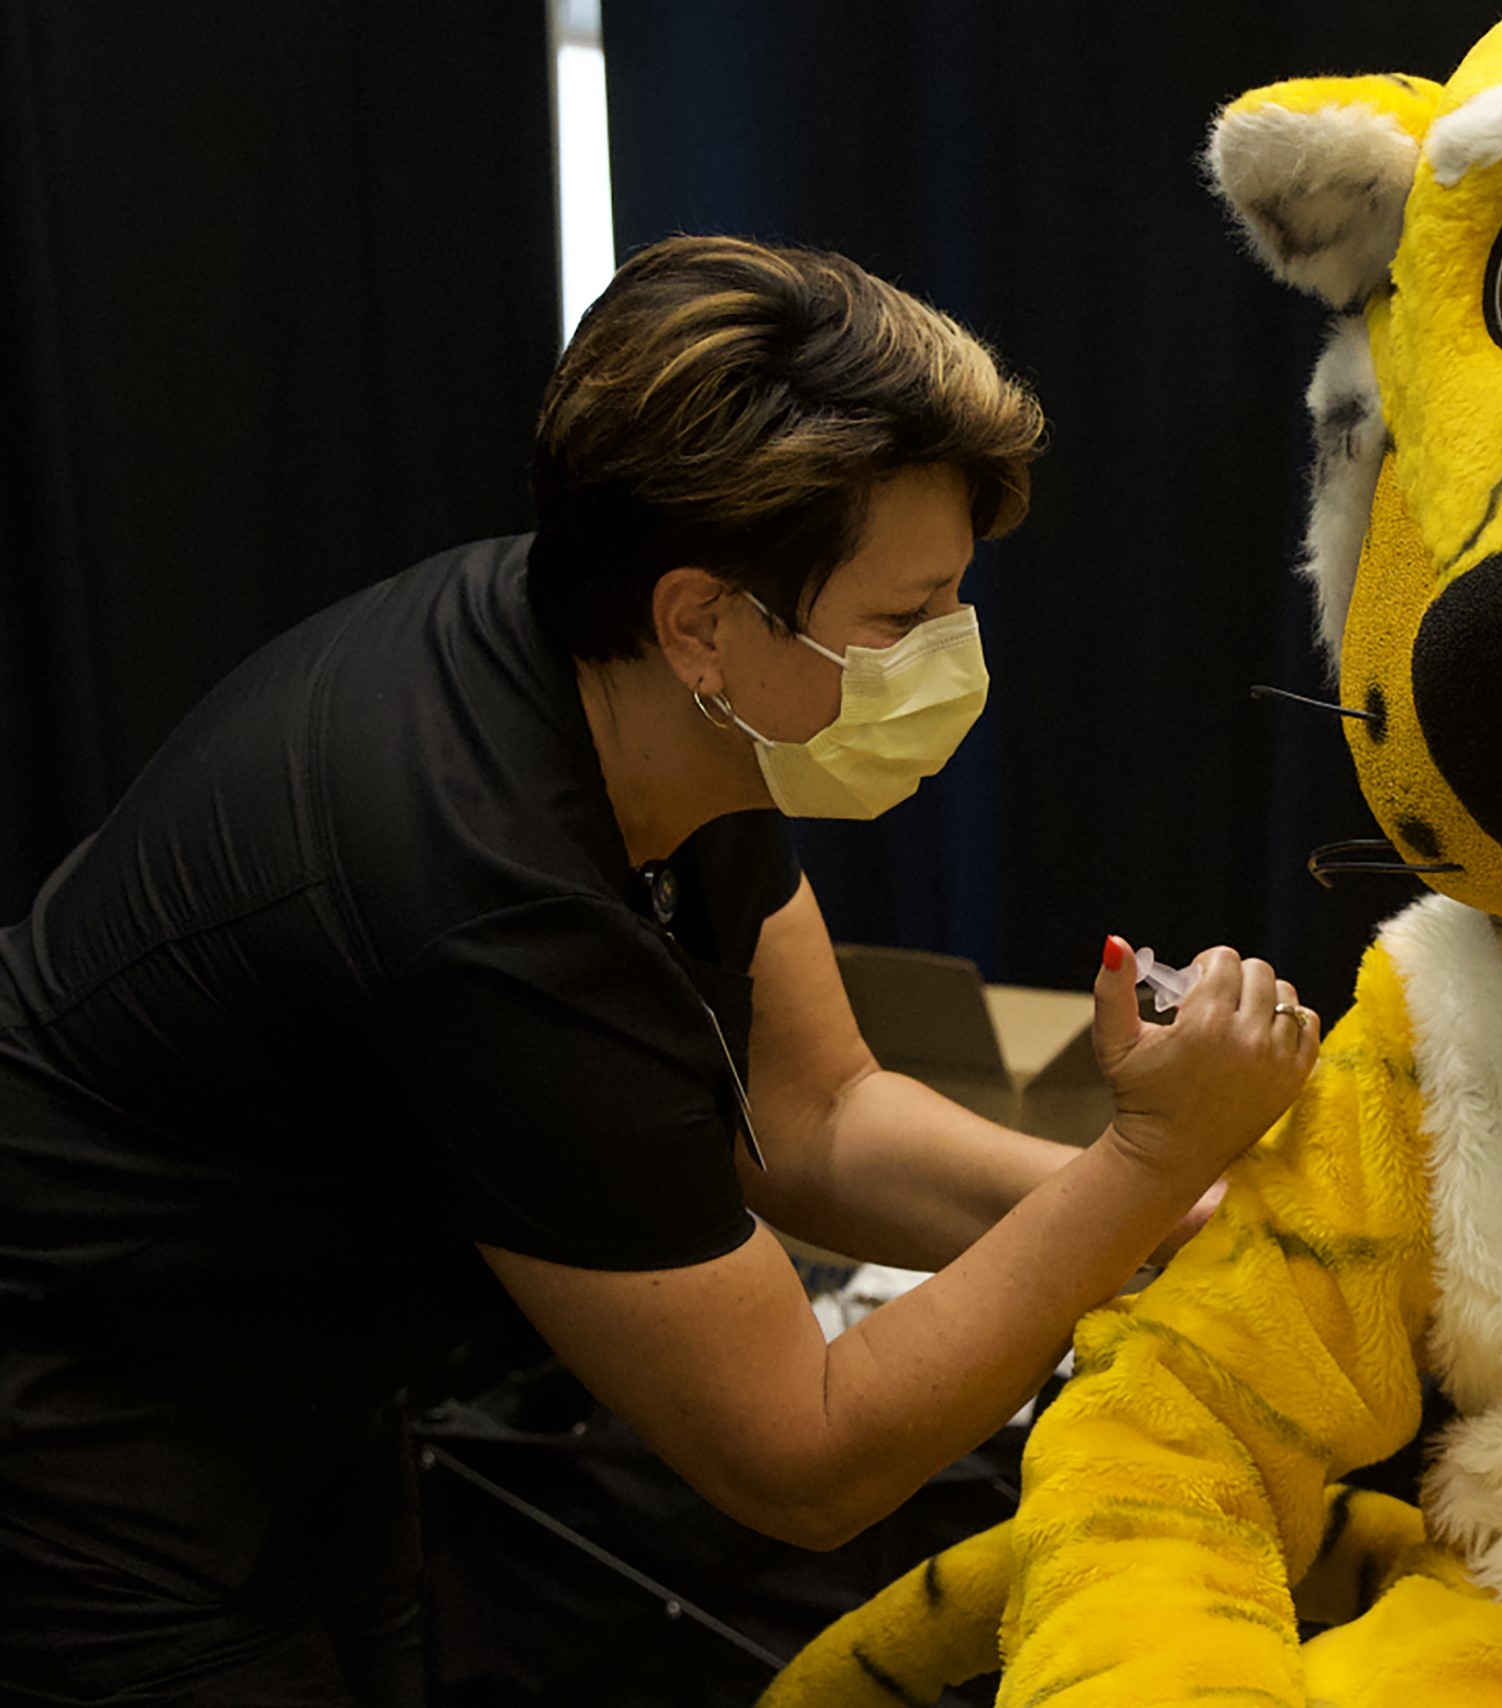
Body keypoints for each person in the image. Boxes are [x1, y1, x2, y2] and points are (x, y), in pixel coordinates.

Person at [0, 235, 1319, 1708]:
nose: (950, 657)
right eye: (901, 618)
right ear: (703, 619)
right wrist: (1135, 1163)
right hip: (84, 1418)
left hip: (312, 1377)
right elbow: (800, 1458)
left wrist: (1175, 1214)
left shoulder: (642, 696)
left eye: (954, 602)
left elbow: (819, 1124)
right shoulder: (488, 898)